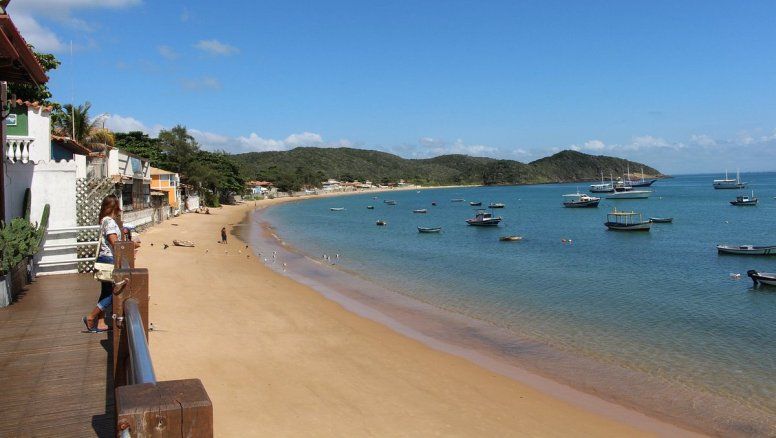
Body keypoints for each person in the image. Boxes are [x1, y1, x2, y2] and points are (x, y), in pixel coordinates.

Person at [83, 195, 121, 333]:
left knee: (105, 292)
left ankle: (100, 323)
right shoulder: (110, 222)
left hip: (104, 259)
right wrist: (130, 245)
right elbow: (114, 242)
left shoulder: (104, 220)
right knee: (115, 292)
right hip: (110, 260)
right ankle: (91, 317)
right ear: (115, 207)